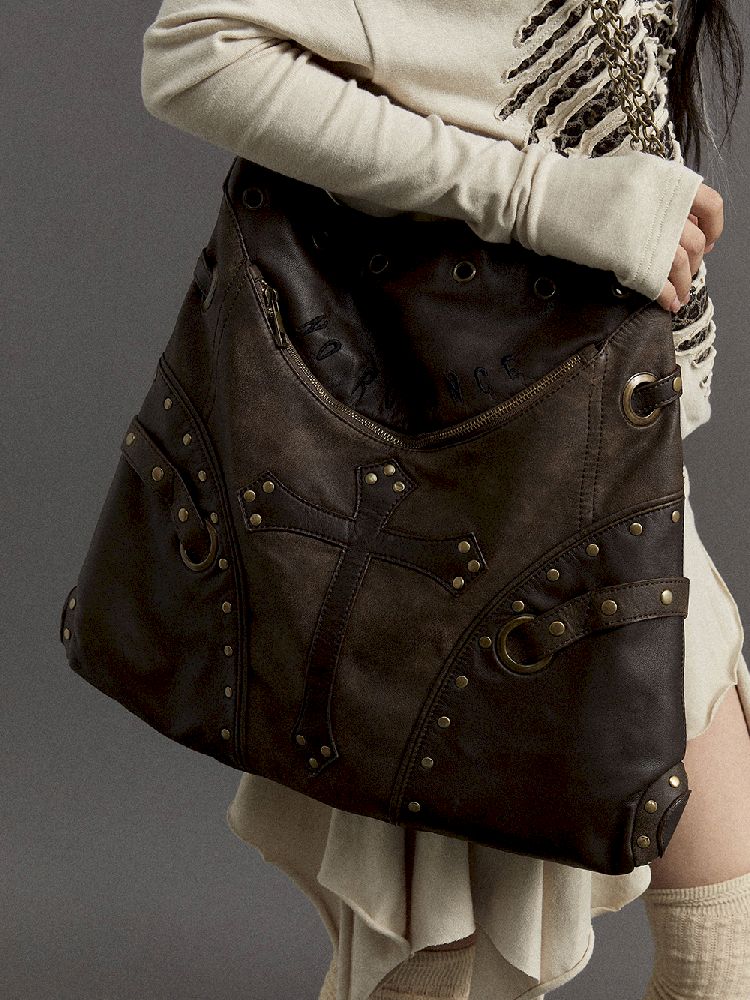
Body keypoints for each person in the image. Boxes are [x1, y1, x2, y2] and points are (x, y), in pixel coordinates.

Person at [139, 2, 750, 997]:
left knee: (718, 934)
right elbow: (197, 50)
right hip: (461, 450)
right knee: (446, 964)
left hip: (589, 439)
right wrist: (536, 196)